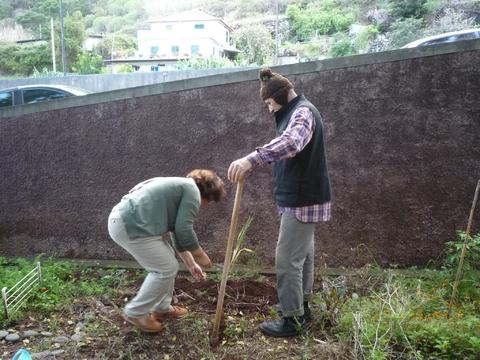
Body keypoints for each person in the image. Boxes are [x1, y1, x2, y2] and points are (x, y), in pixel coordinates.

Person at [228, 68, 332, 337]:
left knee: (286, 261)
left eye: (270, 103)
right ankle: (301, 307)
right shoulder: (296, 112)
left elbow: (292, 143)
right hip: (300, 197)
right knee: (302, 257)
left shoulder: (303, 112)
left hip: (302, 199)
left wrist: (252, 159)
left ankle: (292, 320)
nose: (270, 109)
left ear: (283, 95)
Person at [108, 169, 226, 332]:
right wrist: (200, 255)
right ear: (207, 194)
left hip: (127, 222)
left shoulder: (180, 188)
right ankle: (136, 312)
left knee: (167, 260)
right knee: (165, 268)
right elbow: (184, 229)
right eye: (209, 202)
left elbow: (177, 231)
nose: (205, 206)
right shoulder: (192, 190)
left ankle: (162, 308)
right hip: (131, 224)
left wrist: (191, 264)